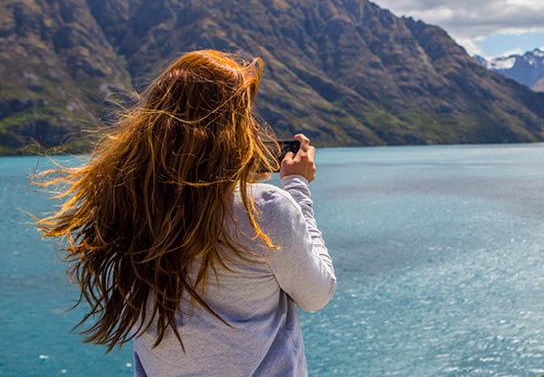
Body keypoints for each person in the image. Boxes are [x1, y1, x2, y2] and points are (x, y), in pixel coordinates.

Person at [34, 50, 336, 377]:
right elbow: (317, 294)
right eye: (244, 116)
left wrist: (231, 180)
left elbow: (195, 199)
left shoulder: (132, 203)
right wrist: (296, 186)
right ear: (228, 128)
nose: (251, 127)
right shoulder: (266, 210)